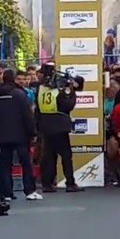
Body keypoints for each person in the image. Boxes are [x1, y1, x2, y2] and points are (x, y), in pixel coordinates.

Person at [0, 69, 38, 201]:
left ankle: (6, 192)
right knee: (26, 163)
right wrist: (32, 132)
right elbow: (28, 116)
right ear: (14, 79)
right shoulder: (20, 94)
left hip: (1, 135)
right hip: (20, 135)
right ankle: (29, 190)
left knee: (4, 164)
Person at [35, 65, 80, 193]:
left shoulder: (40, 88)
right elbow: (68, 105)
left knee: (49, 155)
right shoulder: (59, 88)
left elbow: (37, 109)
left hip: (45, 125)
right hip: (59, 125)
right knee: (66, 155)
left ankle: (47, 184)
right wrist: (72, 93)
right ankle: (70, 183)